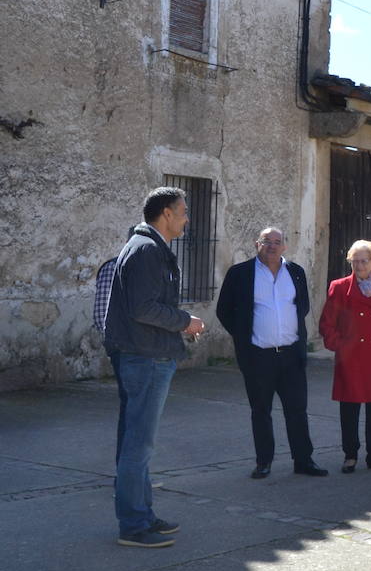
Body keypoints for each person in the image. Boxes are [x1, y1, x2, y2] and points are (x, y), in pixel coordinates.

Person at [104, 187, 206, 547]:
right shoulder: (146, 250)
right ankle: (133, 525)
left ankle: (142, 514)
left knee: (135, 441)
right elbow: (143, 308)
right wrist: (185, 322)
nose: (187, 219)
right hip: (144, 358)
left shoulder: (147, 248)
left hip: (145, 354)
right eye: (183, 211)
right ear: (165, 213)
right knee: (138, 444)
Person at [215, 227, 327, 479]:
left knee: (297, 410)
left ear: (285, 246)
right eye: (267, 242)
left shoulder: (295, 272)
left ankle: (304, 461)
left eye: (278, 242)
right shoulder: (241, 273)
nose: (272, 246)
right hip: (258, 356)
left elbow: (303, 307)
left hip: (291, 355)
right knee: (261, 410)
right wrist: (245, 338)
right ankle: (263, 461)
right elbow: (224, 310)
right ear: (257, 244)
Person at [319, 240, 371, 473]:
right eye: (354, 261)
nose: (358, 265)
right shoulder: (339, 287)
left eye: (363, 261)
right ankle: (350, 455)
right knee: (350, 408)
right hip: (352, 357)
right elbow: (327, 323)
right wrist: (340, 346)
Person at [95, 226, 134, 462]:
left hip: (148, 352)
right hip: (126, 350)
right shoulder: (114, 267)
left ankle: (134, 471)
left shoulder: (154, 269)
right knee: (131, 409)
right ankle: (126, 471)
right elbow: (101, 314)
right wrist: (117, 346)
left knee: (140, 413)